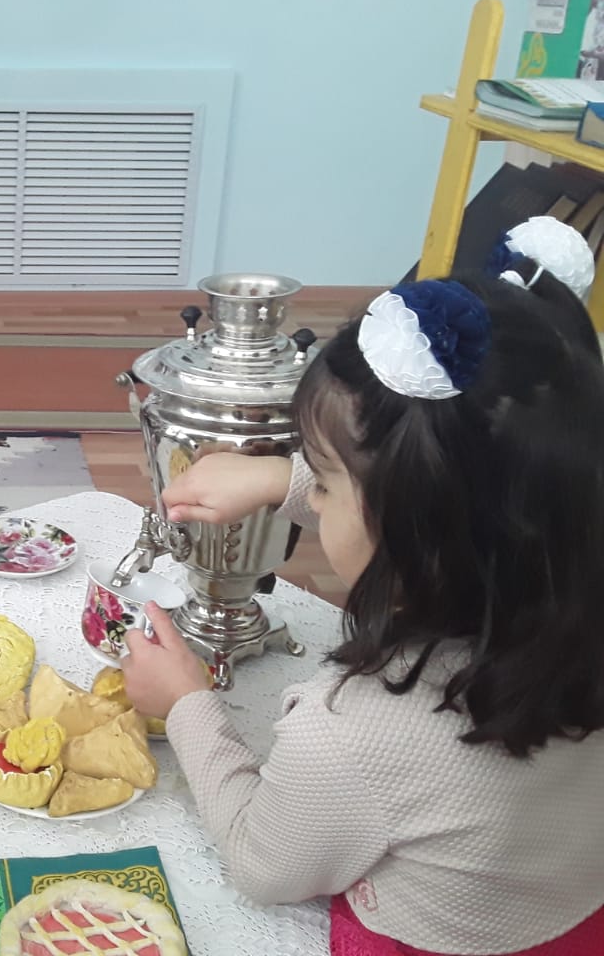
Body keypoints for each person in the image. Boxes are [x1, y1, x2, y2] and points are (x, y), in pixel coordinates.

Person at [123, 265, 604, 954]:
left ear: (414, 522)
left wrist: (185, 704)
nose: (312, 500)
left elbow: (263, 864)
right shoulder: (565, 567)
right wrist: (278, 477)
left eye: (322, 482)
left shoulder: (353, 732)